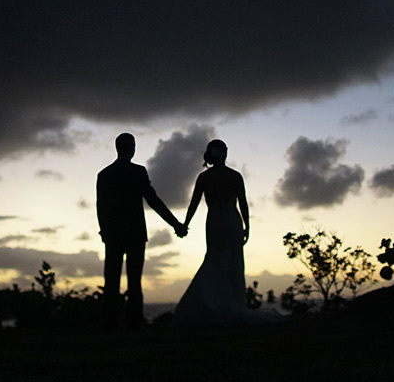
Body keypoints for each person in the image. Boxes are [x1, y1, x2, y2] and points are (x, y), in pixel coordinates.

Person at [172, 139, 279, 327]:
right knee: (233, 264)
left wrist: (185, 225)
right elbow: (242, 204)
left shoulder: (205, 178)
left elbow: (194, 204)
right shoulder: (233, 176)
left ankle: (216, 304)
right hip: (230, 222)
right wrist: (247, 226)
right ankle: (230, 304)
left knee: (216, 261)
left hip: (215, 222)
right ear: (221, 153)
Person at [96, 132, 187, 331]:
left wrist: (104, 231)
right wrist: (175, 223)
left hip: (113, 234)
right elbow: (153, 200)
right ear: (131, 148)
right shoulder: (138, 172)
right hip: (135, 233)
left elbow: (100, 206)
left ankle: (110, 322)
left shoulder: (104, 175)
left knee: (111, 280)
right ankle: (134, 323)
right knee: (134, 282)